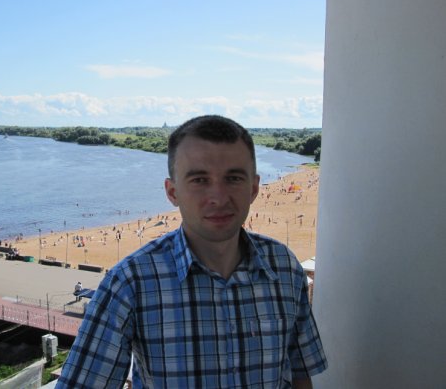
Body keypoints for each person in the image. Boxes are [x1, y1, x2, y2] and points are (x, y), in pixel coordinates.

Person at [57, 115, 327, 388]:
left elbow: (300, 375)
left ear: (254, 188)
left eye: (233, 178)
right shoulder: (129, 283)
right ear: (172, 192)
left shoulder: (284, 268)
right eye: (199, 180)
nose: (218, 197)